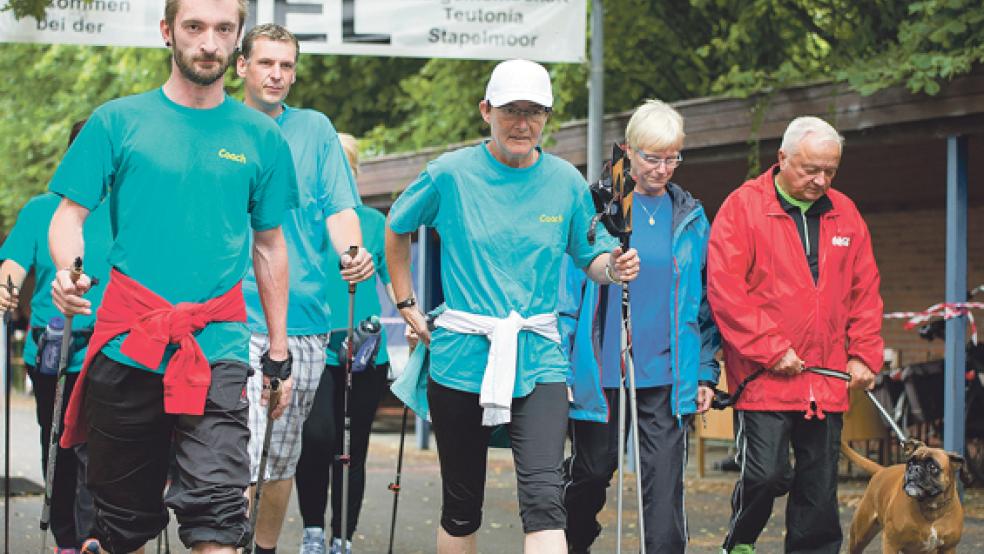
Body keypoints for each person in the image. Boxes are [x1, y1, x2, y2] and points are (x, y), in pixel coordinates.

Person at [47, 1, 299, 552]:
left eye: (223, 30)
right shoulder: (117, 120)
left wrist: (279, 351)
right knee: (123, 527)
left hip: (219, 348)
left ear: (237, 41)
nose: (209, 42)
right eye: (195, 27)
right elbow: (68, 215)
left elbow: (270, 245)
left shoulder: (262, 138)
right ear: (168, 32)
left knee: (218, 518)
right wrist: (68, 273)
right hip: (126, 343)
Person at [385, 59, 640, 554]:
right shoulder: (450, 174)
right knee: (461, 506)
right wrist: (405, 301)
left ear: (547, 116)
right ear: (486, 110)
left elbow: (589, 256)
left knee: (546, 500)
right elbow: (396, 225)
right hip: (461, 356)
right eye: (510, 111)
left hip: (539, 355)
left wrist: (614, 267)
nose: (522, 123)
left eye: (534, 112)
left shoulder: (565, 181)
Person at [707, 116, 883, 554]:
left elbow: (865, 290)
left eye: (831, 171)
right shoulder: (743, 207)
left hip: (825, 379)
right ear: (782, 158)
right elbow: (726, 291)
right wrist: (770, 349)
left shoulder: (846, 212)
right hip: (764, 375)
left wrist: (864, 354)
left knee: (819, 491)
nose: (821, 180)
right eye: (810, 170)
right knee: (766, 475)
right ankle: (742, 541)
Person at [235, 24, 374, 554]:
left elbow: (340, 206)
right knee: (239, 455)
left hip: (306, 321)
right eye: (266, 62)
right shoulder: (218, 124)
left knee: (281, 460)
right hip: (232, 319)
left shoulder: (316, 129)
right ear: (242, 65)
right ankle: (227, 543)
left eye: (286, 65)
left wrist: (352, 251)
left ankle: (264, 548)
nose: (277, 74)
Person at [559, 99, 720, 554]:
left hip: (666, 374)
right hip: (602, 369)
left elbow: (705, 299)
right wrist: (560, 364)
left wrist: (706, 371)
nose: (663, 168)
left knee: (665, 485)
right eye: (652, 157)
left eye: (673, 157)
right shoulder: (595, 206)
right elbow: (568, 292)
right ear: (628, 151)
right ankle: (573, 541)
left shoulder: (689, 216)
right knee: (592, 471)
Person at [0, 119, 104, 552]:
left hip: (111, 347)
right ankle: (67, 537)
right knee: (57, 444)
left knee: (102, 446)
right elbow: (13, 265)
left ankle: (95, 535)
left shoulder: (127, 210)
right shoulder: (42, 210)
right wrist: (5, 291)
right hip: (55, 346)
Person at [295, 133, 396, 554]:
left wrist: (413, 318)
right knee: (317, 437)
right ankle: (313, 530)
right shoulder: (303, 221)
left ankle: (343, 537)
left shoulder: (373, 224)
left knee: (352, 448)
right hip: (313, 342)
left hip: (365, 348)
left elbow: (394, 280)